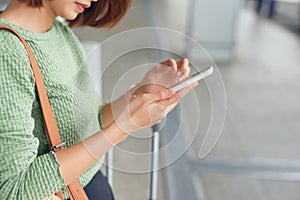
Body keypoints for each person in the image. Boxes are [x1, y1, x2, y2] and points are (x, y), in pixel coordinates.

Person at [0, 0, 198, 199]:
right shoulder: (6, 50)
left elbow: (88, 125)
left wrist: (141, 92)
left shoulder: (59, 32)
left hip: (92, 185)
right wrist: (123, 128)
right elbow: (14, 190)